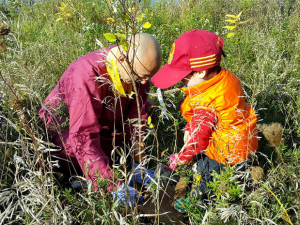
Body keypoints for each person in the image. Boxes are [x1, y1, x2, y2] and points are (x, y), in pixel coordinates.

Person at [39, 33, 161, 205]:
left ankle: (109, 167)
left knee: (138, 125)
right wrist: (113, 186)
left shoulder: (139, 70)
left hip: (105, 119)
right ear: (121, 59)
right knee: (71, 152)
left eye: (147, 77)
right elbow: (82, 134)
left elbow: (137, 115)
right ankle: (82, 178)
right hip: (68, 124)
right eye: (139, 77)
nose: (143, 83)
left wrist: (138, 160)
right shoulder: (86, 75)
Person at [151, 29, 258, 212]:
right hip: (242, 142)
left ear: (200, 71)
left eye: (183, 78)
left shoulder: (207, 103)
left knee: (205, 174)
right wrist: (189, 126)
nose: (180, 83)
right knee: (228, 176)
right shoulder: (222, 79)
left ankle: (199, 205)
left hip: (223, 152)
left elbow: (199, 139)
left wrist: (180, 158)